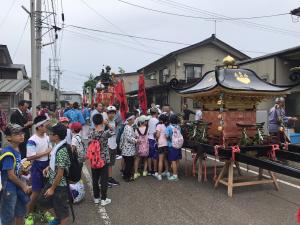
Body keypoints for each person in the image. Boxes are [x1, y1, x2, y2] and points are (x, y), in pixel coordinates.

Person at [0, 124, 32, 225]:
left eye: (22, 133)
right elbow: (10, 175)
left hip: (17, 186)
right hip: (9, 188)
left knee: (20, 212)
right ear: (9, 137)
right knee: (8, 215)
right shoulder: (8, 153)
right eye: (17, 134)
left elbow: (15, 171)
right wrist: (24, 186)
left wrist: (23, 170)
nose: (22, 135)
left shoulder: (17, 149)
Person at [42, 123, 71, 225]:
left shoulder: (62, 151)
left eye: (50, 133)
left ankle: (60, 219)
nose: (48, 135)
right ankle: (57, 219)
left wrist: (52, 189)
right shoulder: (57, 145)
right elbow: (55, 162)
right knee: (45, 201)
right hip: (53, 181)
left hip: (59, 186)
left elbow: (60, 173)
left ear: (56, 136)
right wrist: (48, 167)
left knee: (63, 213)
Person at [26, 115, 52, 213]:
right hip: (37, 167)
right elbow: (30, 157)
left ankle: (44, 212)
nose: (47, 126)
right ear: (40, 126)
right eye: (46, 125)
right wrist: (47, 152)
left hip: (47, 165)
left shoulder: (47, 136)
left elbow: (50, 150)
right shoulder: (32, 140)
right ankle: (29, 214)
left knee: (47, 191)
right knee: (36, 192)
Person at [88, 114, 113, 205]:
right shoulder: (105, 133)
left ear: (94, 122)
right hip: (103, 159)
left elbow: (89, 144)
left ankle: (96, 198)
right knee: (104, 179)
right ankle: (103, 199)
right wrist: (107, 124)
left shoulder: (91, 133)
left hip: (94, 159)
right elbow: (113, 131)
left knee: (95, 178)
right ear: (102, 121)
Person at [120, 113, 138, 182]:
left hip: (126, 149)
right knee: (129, 163)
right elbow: (129, 138)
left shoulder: (128, 127)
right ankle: (127, 177)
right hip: (128, 149)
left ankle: (125, 175)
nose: (134, 120)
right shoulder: (128, 127)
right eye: (133, 119)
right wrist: (136, 140)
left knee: (128, 163)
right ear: (129, 120)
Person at [166, 114, 182, 181]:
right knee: (177, 159)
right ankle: (176, 173)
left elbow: (166, 136)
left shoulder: (169, 127)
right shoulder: (178, 127)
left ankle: (175, 175)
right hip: (178, 145)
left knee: (173, 160)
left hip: (171, 145)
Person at [106, 106, 120, 186]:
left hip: (113, 145)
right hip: (107, 146)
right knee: (105, 164)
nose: (111, 114)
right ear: (107, 113)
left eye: (113, 113)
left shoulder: (115, 122)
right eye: (110, 113)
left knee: (111, 164)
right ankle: (105, 180)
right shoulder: (104, 122)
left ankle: (109, 178)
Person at [156, 114, 170, 180]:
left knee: (160, 160)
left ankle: (159, 175)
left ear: (160, 120)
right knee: (165, 159)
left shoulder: (159, 125)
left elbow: (158, 135)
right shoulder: (167, 126)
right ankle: (167, 172)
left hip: (161, 144)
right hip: (166, 144)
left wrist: (155, 135)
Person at [147, 108, 159, 177]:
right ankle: (155, 171)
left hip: (149, 138)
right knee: (155, 156)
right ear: (156, 113)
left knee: (149, 156)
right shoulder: (157, 120)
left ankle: (149, 170)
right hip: (154, 140)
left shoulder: (149, 120)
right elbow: (155, 132)